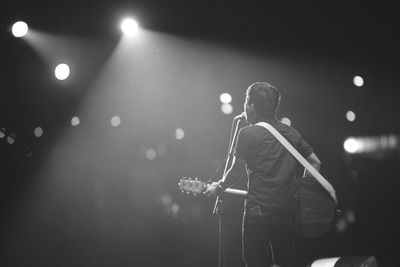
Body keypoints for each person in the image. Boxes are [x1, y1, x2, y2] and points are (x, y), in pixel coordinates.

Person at [206, 82, 321, 267]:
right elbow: (316, 162)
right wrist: (302, 191)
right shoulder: (291, 133)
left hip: (257, 212)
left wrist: (219, 187)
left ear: (250, 106)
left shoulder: (247, 133)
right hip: (286, 213)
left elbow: (236, 171)